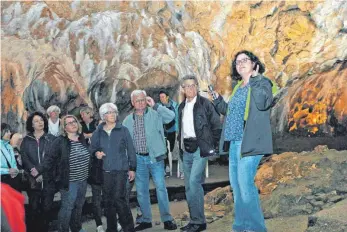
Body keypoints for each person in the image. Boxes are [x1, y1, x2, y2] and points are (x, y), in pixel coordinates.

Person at [211, 50, 277, 232]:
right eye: (237, 61)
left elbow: (264, 102)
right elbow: (232, 113)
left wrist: (255, 79)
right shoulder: (239, 86)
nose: (240, 64)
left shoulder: (263, 82)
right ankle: (240, 226)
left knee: (245, 185)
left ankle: (256, 228)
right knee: (237, 186)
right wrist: (218, 102)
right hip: (234, 141)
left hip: (249, 141)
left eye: (244, 60)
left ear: (254, 63)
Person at [123, 90, 177, 231]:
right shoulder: (128, 120)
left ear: (146, 100)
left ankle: (167, 219)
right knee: (141, 190)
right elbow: (126, 143)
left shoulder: (155, 114)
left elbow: (171, 116)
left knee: (161, 188)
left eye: (142, 100)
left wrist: (156, 106)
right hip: (138, 160)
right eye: (137, 100)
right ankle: (146, 219)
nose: (140, 103)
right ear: (132, 103)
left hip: (155, 158)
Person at [177, 75, 222, 232]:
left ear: (196, 86)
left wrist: (213, 146)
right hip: (186, 148)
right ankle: (195, 220)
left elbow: (217, 125)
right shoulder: (181, 107)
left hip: (200, 148)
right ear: (183, 89)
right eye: (186, 86)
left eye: (192, 85)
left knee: (195, 183)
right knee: (189, 187)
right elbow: (180, 129)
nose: (190, 89)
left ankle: (199, 222)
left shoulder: (205, 104)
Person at [37, 115, 90, 232]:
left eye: (74, 121)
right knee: (67, 207)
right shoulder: (60, 141)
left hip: (83, 180)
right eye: (69, 123)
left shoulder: (82, 139)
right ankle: (63, 229)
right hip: (69, 181)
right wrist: (39, 170)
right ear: (64, 128)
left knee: (79, 206)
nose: (73, 124)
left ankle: (76, 228)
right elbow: (49, 159)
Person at [90, 103, 136, 232]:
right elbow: (92, 148)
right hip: (105, 171)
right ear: (103, 116)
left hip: (121, 170)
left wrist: (132, 168)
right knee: (108, 202)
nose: (113, 115)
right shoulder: (98, 132)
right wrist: (96, 153)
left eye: (114, 112)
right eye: (109, 112)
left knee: (119, 199)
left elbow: (131, 150)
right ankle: (112, 228)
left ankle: (128, 228)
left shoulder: (123, 130)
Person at [20, 112, 56, 232]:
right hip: (33, 180)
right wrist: (33, 171)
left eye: (41, 120)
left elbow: (51, 159)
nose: (40, 122)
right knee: (33, 208)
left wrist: (40, 172)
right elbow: (24, 157)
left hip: (48, 179)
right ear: (32, 124)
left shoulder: (51, 139)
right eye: (36, 121)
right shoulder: (26, 140)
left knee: (47, 208)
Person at [80, 106, 104, 232]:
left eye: (84, 114)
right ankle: (99, 224)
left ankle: (114, 221)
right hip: (91, 167)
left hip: (104, 166)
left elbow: (97, 135)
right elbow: (81, 138)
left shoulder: (97, 124)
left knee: (110, 196)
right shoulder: (80, 126)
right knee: (96, 198)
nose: (82, 116)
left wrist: (89, 135)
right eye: (81, 114)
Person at [158, 90, 181, 178]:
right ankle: (166, 167)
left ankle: (168, 166)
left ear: (167, 97)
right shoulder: (159, 107)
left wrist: (178, 129)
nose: (161, 99)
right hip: (162, 131)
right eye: (160, 97)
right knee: (164, 149)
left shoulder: (174, 105)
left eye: (163, 97)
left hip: (172, 130)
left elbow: (177, 118)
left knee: (169, 149)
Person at [1, 123, 20, 191]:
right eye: (7, 131)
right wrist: (7, 171)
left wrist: (15, 171)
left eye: (10, 131)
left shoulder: (9, 147)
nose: (10, 133)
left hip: (12, 181)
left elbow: (13, 164)